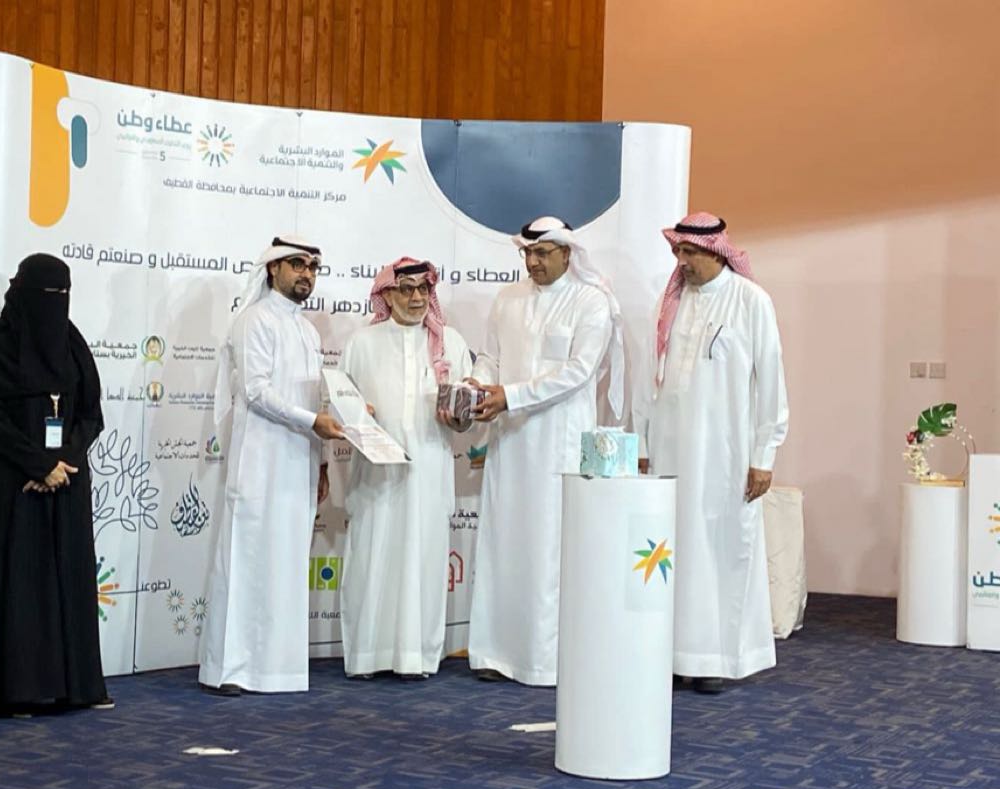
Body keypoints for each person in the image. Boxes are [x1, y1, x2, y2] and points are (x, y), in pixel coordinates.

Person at [633, 212, 789, 694]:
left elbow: (771, 383)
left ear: (717, 252)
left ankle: (717, 658)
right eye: (678, 252)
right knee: (672, 550)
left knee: (720, 551)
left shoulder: (751, 301)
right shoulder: (671, 302)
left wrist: (764, 454)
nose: (682, 262)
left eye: (691, 253)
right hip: (670, 452)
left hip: (726, 454)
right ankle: (675, 654)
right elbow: (649, 380)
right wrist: (642, 443)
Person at [467, 216, 625, 685]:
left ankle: (544, 659)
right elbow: (491, 357)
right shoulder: (508, 298)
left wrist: (511, 396)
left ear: (566, 254)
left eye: (542, 254)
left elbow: (579, 371)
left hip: (559, 443)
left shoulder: (591, 301)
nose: (532, 262)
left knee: (548, 546)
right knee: (504, 540)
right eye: (527, 254)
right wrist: (478, 382)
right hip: (509, 440)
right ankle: (496, 652)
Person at [0, 253, 109, 716]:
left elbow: (91, 414)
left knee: (69, 580)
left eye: (61, 294)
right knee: (17, 582)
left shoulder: (73, 344)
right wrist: (38, 464)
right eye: (46, 294)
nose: (54, 304)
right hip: (13, 483)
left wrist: (64, 461)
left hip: (67, 481)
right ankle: (15, 691)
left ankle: (76, 688)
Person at [199, 236, 343, 695]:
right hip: (259, 465)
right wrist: (313, 423)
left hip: (299, 463)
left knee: (284, 564)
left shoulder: (308, 331)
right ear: (272, 269)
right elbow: (256, 392)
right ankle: (231, 669)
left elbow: (313, 400)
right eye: (296, 264)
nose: (306, 274)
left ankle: (276, 669)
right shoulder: (254, 320)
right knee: (246, 561)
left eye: (312, 267)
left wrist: (322, 463)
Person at [338, 258, 474, 679]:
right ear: (387, 294)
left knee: (424, 562)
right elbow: (341, 403)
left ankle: (417, 657)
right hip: (376, 476)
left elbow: (466, 415)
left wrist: (461, 418)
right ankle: (367, 656)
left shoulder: (450, 343)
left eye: (423, 289)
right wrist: (356, 416)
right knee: (372, 560)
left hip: (429, 472)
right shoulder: (362, 343)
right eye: (406, 289)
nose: (416, 297)